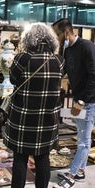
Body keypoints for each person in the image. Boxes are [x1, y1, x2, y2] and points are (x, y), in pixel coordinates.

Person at [3, 22, 64, 188]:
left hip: (23, 119)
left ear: (28, 39)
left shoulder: (23, 58)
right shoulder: (58, 60)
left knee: (20, 158)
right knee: (43, 158)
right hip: (47, 121)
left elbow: (13, 80)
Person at [52, 18, 95, 188]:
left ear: (66, 32)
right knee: (81, 138)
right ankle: (80, 171)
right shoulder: (68, 51)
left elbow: (94, 76)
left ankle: (71, 175)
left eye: (57, 34)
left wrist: (82, 101)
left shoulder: (87, 47)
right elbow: (64, 72)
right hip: (79, 100)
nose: (56, 38)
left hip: (89, 101)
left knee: (84, 141)